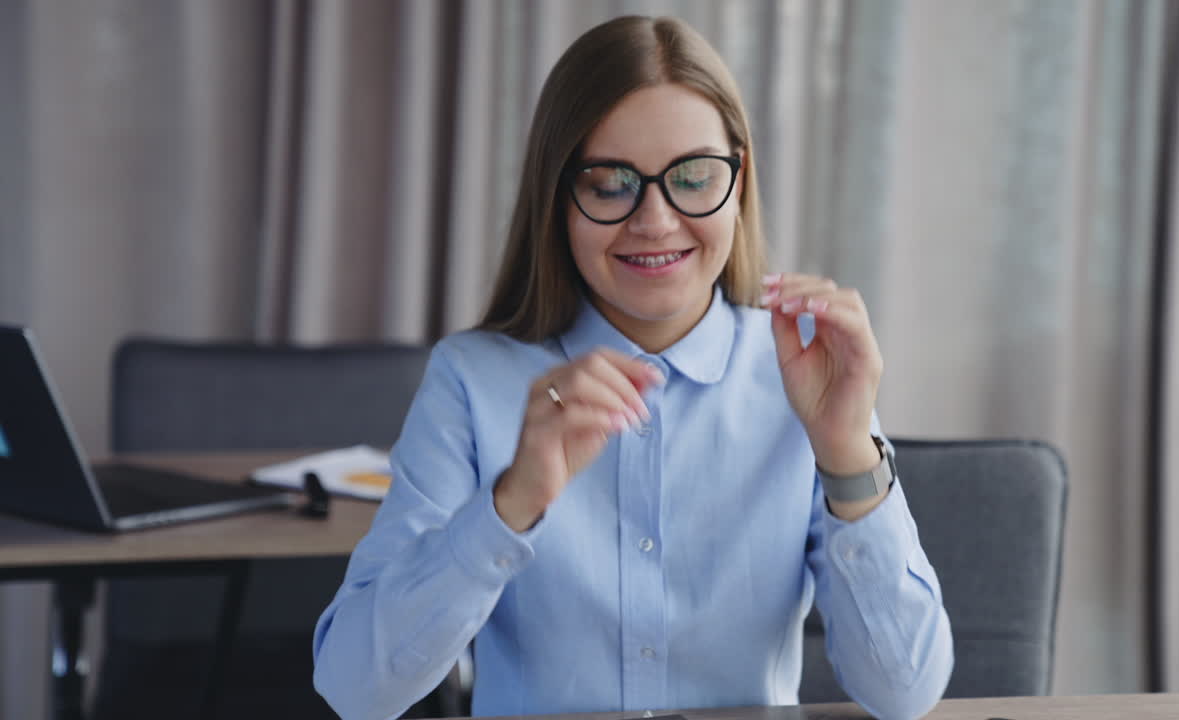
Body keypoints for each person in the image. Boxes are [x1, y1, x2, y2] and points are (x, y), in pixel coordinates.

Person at [313, 15, 952, 720]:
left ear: (738, 185)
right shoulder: (472, 381)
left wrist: (845, 452)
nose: (654, 220)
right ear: (558, 200)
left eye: (693, 177)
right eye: (611, 183)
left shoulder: (805, 372)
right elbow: (353, 691)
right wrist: (508, 506)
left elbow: (905, 693)